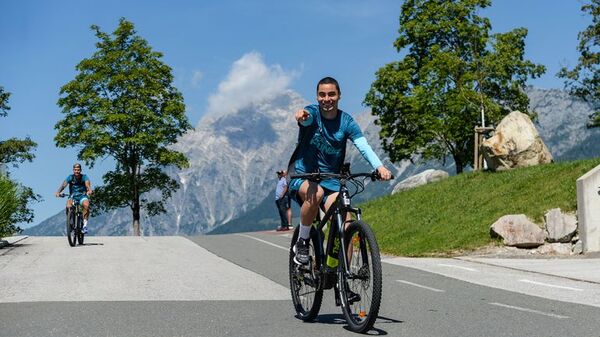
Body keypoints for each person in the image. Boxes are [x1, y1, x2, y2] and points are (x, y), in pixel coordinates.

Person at [289, 77, 392, 265]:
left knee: (345, 225)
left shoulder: (346, 122)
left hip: (331, 179)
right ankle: (303, 241)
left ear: (339, 96)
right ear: (317, 97)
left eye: (331, 94)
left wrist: (379, 167)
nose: (326, 99)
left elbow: (363, 146)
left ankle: (340, 277)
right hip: (304, 175)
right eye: (322, 95)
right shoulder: (312, 113)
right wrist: (301, 116)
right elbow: (306, 119)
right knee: (316, 192)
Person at [55, 163, 93, 234]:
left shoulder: (84, 177)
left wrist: (89, 190)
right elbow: (64, 185)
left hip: (82, 196)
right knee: (68, 205)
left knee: (86, 205)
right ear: (73, 170)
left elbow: (87, 185)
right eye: (75, 170)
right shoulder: (70, 177)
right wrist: (58, 192)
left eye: (78, 170)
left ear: (80, 170)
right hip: (73, 196)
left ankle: (84, 226)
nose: (77, 171)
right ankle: (70, 220)